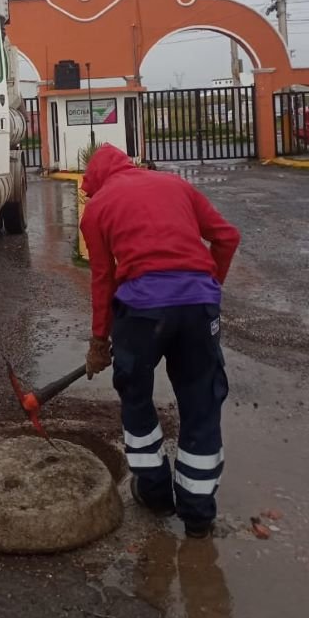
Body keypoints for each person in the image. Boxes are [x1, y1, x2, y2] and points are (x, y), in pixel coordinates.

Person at [80, 145, 241, 539]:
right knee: (201, 400)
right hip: (198, 306)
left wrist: (99, 341)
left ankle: (154, 494)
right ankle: (198, 514)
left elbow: (103, 279)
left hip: (141, 312)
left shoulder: (97, 208)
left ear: (94, 181)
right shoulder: (175, 184)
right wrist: (207, 288)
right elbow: (227, 237)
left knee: (136, 396)